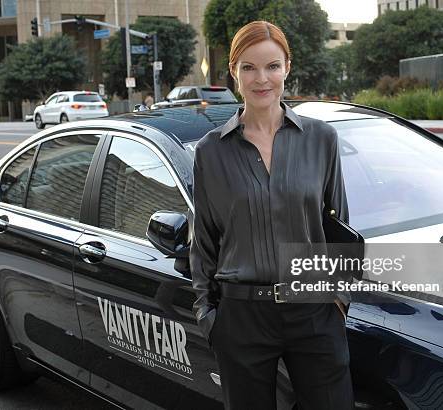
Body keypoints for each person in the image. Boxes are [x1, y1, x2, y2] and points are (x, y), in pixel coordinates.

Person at [189, 20, 354, 410]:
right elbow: (204, 242)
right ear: (233, 72)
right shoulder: (211, 151)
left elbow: (340, 229)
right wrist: (209, 318)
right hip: (242, 315)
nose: (261, 78)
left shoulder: (321, 139)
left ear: (287, 68)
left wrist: (338, 301)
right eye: (248, 67)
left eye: (272, 66)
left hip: (314, 311)